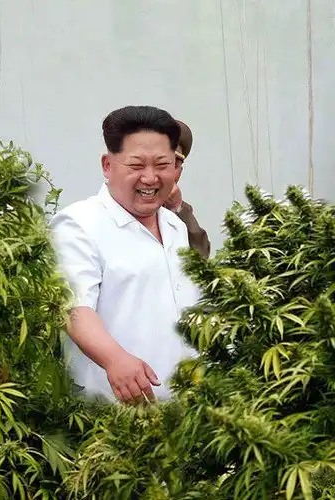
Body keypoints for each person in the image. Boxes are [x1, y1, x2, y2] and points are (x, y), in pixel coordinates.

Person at [48, 105, 200, 404]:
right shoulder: (78, 224)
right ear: (107, 165)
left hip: (184, 407)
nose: (150, 178)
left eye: (162, 165)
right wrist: (114, 358)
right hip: (112, 410)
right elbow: (73, 308)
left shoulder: (175, 226)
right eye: (136, 165)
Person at [162, 120, 211, 258]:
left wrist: (177, 208)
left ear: (180, 172)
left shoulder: (182, 210)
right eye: (162, 163)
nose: (167, 172)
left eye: (174, 165)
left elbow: (201, 257)